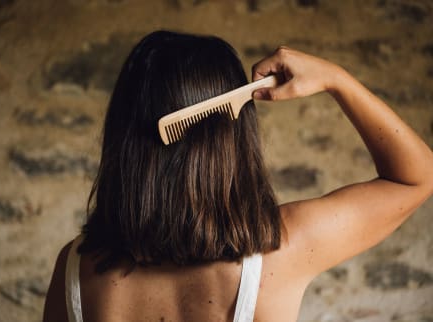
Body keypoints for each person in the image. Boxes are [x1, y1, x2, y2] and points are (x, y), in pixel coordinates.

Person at [43, 31, 433, 322]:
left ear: (124, 138)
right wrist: (335, 79)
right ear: (232, 139)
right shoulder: (284, 249)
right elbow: (417, 177)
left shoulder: (75, 269)